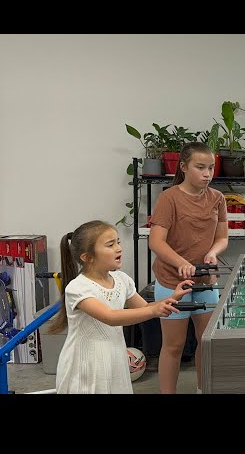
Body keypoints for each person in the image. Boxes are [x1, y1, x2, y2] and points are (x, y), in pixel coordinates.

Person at [49, 220, 194, 394]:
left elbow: (145, 308)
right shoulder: (78, 288)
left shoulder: (122, 280)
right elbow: (110, 317)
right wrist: (153, 309)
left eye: (118, 242)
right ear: (87, 257)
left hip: (115, 358)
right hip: (86, 364)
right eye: (110, 245)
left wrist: (171, 298)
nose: (119, 248)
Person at [149, 141, 228, 394]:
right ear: (183, 167)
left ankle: (202, 389)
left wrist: (213, 253)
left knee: (207, 343)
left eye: (211, 168)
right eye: (200, 167)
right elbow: (156, 242)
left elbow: (222, 238)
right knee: (174, 346)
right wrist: (181, 263)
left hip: (206, 279)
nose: (207, 174)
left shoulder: (217, 198)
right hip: (172, 280)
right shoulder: (168, 198)